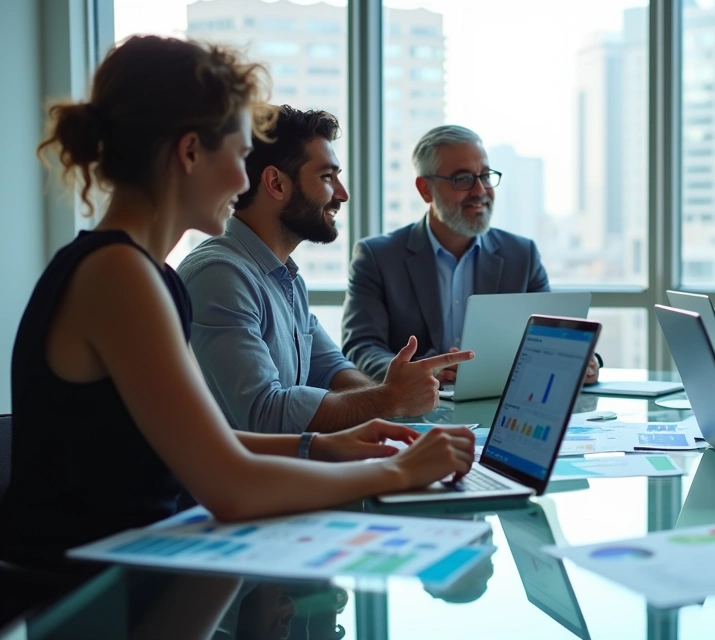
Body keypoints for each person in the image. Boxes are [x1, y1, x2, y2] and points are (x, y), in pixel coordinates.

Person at [0, 37, 475, 614]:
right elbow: (230, 486)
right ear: (190, 152)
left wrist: (324, 445)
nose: (243, 179)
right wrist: (398, 471)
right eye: (240, 153)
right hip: (85, 601)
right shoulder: (120, 275)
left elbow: (191, 444)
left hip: (135, 575)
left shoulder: (143, 273)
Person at [178, 107, 472, 434]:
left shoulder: (285, 277)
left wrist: (389, 393)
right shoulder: (221, 275)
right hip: (238, 484)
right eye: (327, 177)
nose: (342, 193)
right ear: (276, 183)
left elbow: (330, 368)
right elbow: (263, 413)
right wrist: (390, 398)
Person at [341, 125, 599, 385]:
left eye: (485, 176)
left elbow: (552, 336)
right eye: (462, 179)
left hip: (500, 405)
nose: (480, 191)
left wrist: (585, 360)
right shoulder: (377, 257)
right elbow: (361, 346)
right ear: (425, 189)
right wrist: (421, 371)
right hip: (413, 410)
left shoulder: (522, 255)